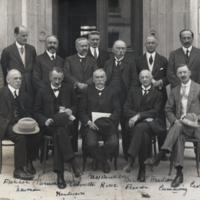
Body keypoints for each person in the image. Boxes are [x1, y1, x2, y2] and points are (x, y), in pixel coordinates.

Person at [145, 64, 200, 187]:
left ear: (190, 73)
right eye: (180, 73)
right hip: (180, 128)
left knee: (187, 118)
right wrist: (174, 120)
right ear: (176, 75)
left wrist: (195, 119)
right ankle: (179, 174)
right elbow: (168, 109)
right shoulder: (175, 90)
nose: (183, 75)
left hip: (195, 127)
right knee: (179, 136)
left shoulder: (198, 88)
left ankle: (161, 154)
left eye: (185, 72)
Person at [34, 67, 81, 189]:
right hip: (49, 125)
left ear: (63, 78)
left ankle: (60, 176)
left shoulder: (69, 89)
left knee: (59, 133)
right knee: (59, 132)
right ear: (50, 77)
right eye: (54, 78)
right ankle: (72, 163)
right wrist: (45, 120)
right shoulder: (42, 91)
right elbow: (36, 112)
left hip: (65, 124)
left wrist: (71, 110)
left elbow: (76, 105)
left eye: (59, 79)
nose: (57, 81)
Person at [123, 70, 165, 182]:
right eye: (142, 77)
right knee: (143, 134)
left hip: (150, 126)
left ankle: (131, 160)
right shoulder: (133, 91)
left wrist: (138, 116)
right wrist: (141, 117)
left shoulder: (158, 94)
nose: (145, 79)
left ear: (151, 78)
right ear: (139, 79)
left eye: (147, 77)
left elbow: (155, 112)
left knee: (141, 128)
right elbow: (126, 110)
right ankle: (142, 169)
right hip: (135, 126)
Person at [0, 69, 40, 180]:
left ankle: (29, 161)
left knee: (36, 133)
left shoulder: (25, 95)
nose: (18, 81)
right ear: (8, 80)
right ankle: (18, 170)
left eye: (20, 78)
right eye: (15, 78)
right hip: (6, 125)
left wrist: (31, 122)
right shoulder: (1, 93)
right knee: (20, 137)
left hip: (21, 124)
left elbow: (28, 113)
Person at [79, 69, 121, 173]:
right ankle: (104, 162)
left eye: (101, 77)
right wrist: (89, 122)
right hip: (91, 126)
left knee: (114, 143)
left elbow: (117, 110)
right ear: (93, 79)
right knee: (91, 144)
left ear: (105, 79)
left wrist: (110, 122)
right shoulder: (87, 92)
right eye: (97, 77)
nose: (99, 80)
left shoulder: (113, 91)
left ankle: (97, 158)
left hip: (109, 126)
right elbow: (81, 111)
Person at [135, 35, 168, 156]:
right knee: (146, 119)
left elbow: (168, 77)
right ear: (145, 45)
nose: (150, 45)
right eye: (148, 43)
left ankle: (162, 151)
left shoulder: (163, 60)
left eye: (152, 43)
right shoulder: (138, 60)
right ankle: (145, 150)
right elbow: (136, 77)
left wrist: (161, 82)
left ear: (156, 44)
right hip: (145, 95)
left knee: (160, 120)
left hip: (160, 94)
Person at [104, 40, 139, 154]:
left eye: (123, 48)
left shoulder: (131, 63)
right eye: (118, 48)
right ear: (113, 50)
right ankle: (111, 152)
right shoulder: (107, 63)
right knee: (110, 124)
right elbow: (104, 81)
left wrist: (130, 98)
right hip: (110, 99)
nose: (121, 51)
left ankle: (127, 152)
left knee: (126, 126)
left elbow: (134, 82)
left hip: (125, 99)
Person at [63, 37, 98, 151]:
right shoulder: (69, 59)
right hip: (73, 95)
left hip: (87, 96)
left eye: (86, 46)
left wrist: (86, 84)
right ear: (76, 47)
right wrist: (77, 84)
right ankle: (72, 150)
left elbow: (96, 75)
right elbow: (66, 74)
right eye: (82, 46)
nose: (84, 48)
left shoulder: (92, 61)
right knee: (72, 122)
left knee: (86, 122)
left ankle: (87, 150)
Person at [1, 25, 37, 103]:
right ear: (16, 35)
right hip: (16, 86)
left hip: (31, 86)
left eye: (26, 35)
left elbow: (35, 67)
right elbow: (4, 71)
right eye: (23, 36)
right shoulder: (7, 51)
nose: (25, 38)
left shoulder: (32, 49)